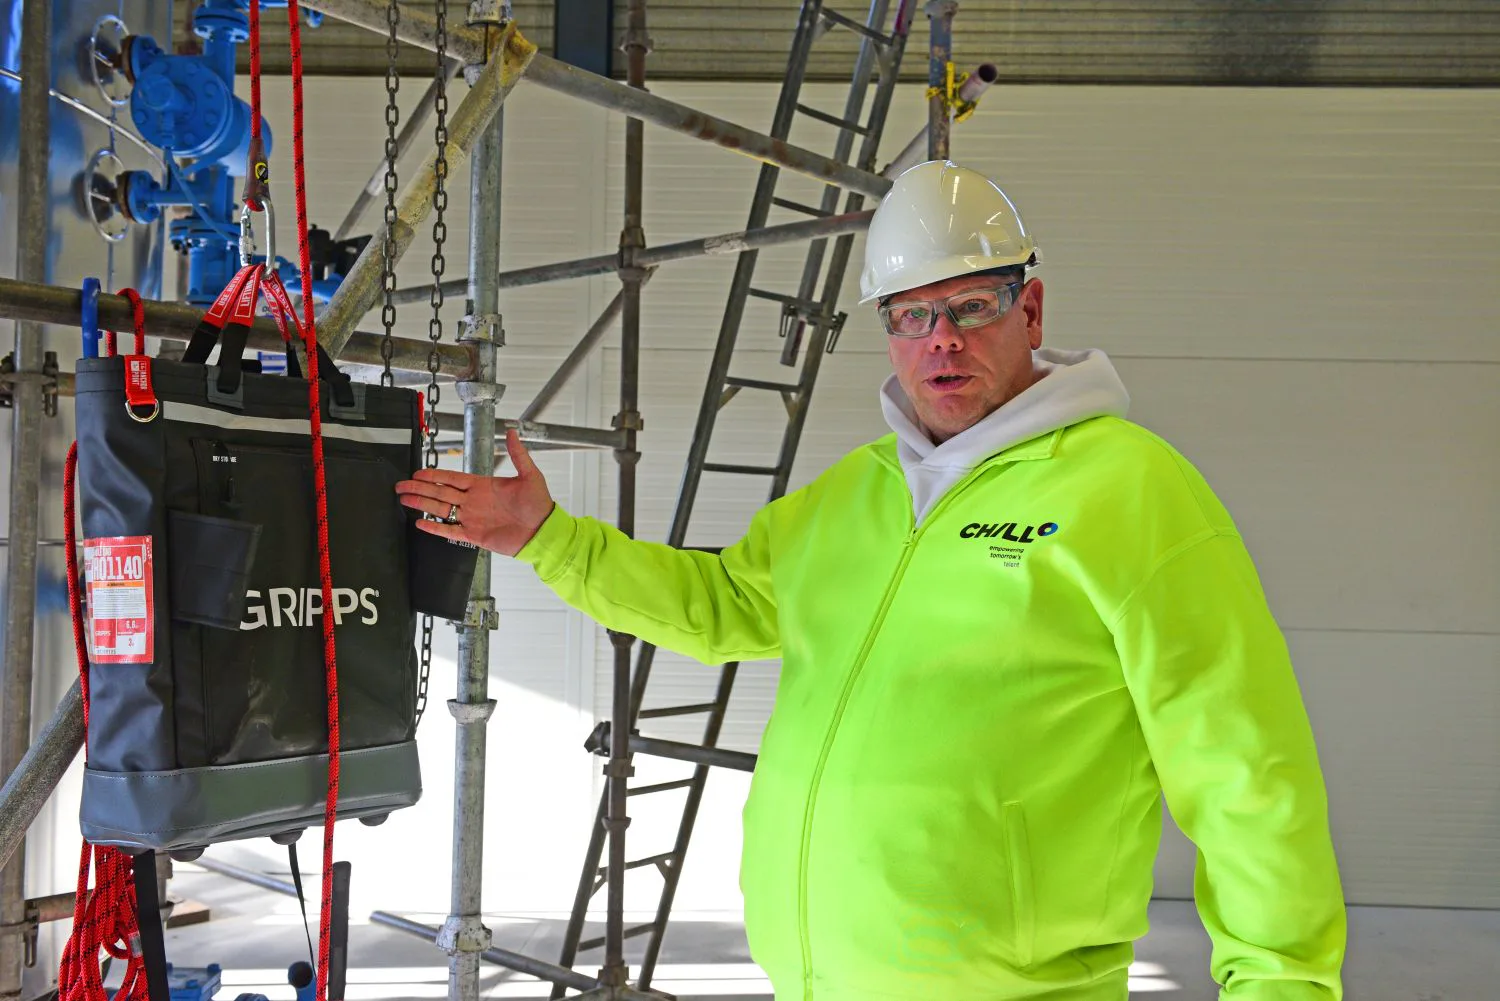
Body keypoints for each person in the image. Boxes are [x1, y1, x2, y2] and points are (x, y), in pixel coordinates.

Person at [396, 160, 1346, 1001]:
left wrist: (1284, 983)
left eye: (972, 306)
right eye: (912, 316)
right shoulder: (856, 493)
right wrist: (548, 538)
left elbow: (1246, 769)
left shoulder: (1133, 491)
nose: (943, 340)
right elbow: (723, 604)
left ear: (1032, 309)